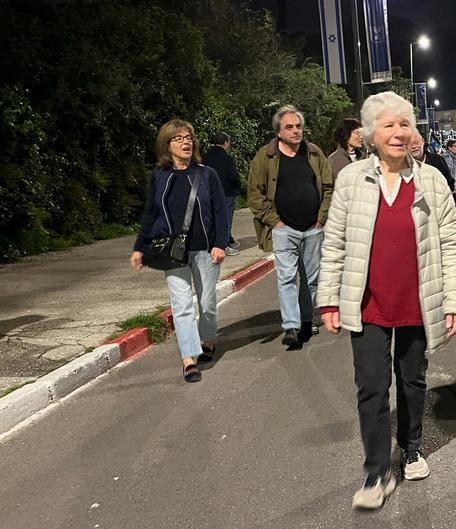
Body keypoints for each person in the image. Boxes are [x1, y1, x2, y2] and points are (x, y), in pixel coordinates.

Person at [317, 91, 456, 510]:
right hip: (367, 303)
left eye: (404, 124)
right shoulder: (351, 179)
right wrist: (329, 299)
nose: (399, 132)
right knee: (371, 385)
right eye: (389, 125)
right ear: (370, 134)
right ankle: (377, 469)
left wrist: (454, 300)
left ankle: (413, 447)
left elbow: (452, 244)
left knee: (412, 379)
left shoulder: (431, 180)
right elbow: (334, 244)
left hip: (418, 300)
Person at [131, 119, 229, 383]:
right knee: (182, 305)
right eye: (179, 138)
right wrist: (140, 247)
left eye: (189, 137)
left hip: (206, 251)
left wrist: (220, 243)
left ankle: (208, 338)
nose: (186, 142)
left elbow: (220, 211)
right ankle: (189, 359)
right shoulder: (160, 176)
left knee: (207, 302)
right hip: (173, 252)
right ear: (167, 145)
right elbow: (151, 212)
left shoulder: (207, 175)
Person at [248, 105, 333, 349]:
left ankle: (306, 320)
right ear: (278, 132)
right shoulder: (265, 157)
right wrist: (275, 221)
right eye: (289, 127)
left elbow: (328, 187)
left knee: (311, 279)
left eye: (298, 126)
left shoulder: (314, 153)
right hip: (284, 229)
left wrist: (321, 217)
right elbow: (255, 195)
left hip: (313, 228)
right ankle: (291, 326)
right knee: (286, 277)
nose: (296, 131)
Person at [409, 133, 456, 239]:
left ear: (423, 142)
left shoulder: (436, 160)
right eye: (409, 143)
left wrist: (449, 192)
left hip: (440, 202)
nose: (413, 146)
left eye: (416, 142)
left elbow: (448, 178)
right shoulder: (402, 164)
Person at [202, 132, 241, 256]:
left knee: (210, 219)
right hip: (226, 193)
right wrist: (237, 188)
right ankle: (224, 245)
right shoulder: (227, 159)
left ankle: (213, 242)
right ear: (225, 143)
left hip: (208, 193)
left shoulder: (205, 157)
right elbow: (233, 176)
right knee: (225, 219)